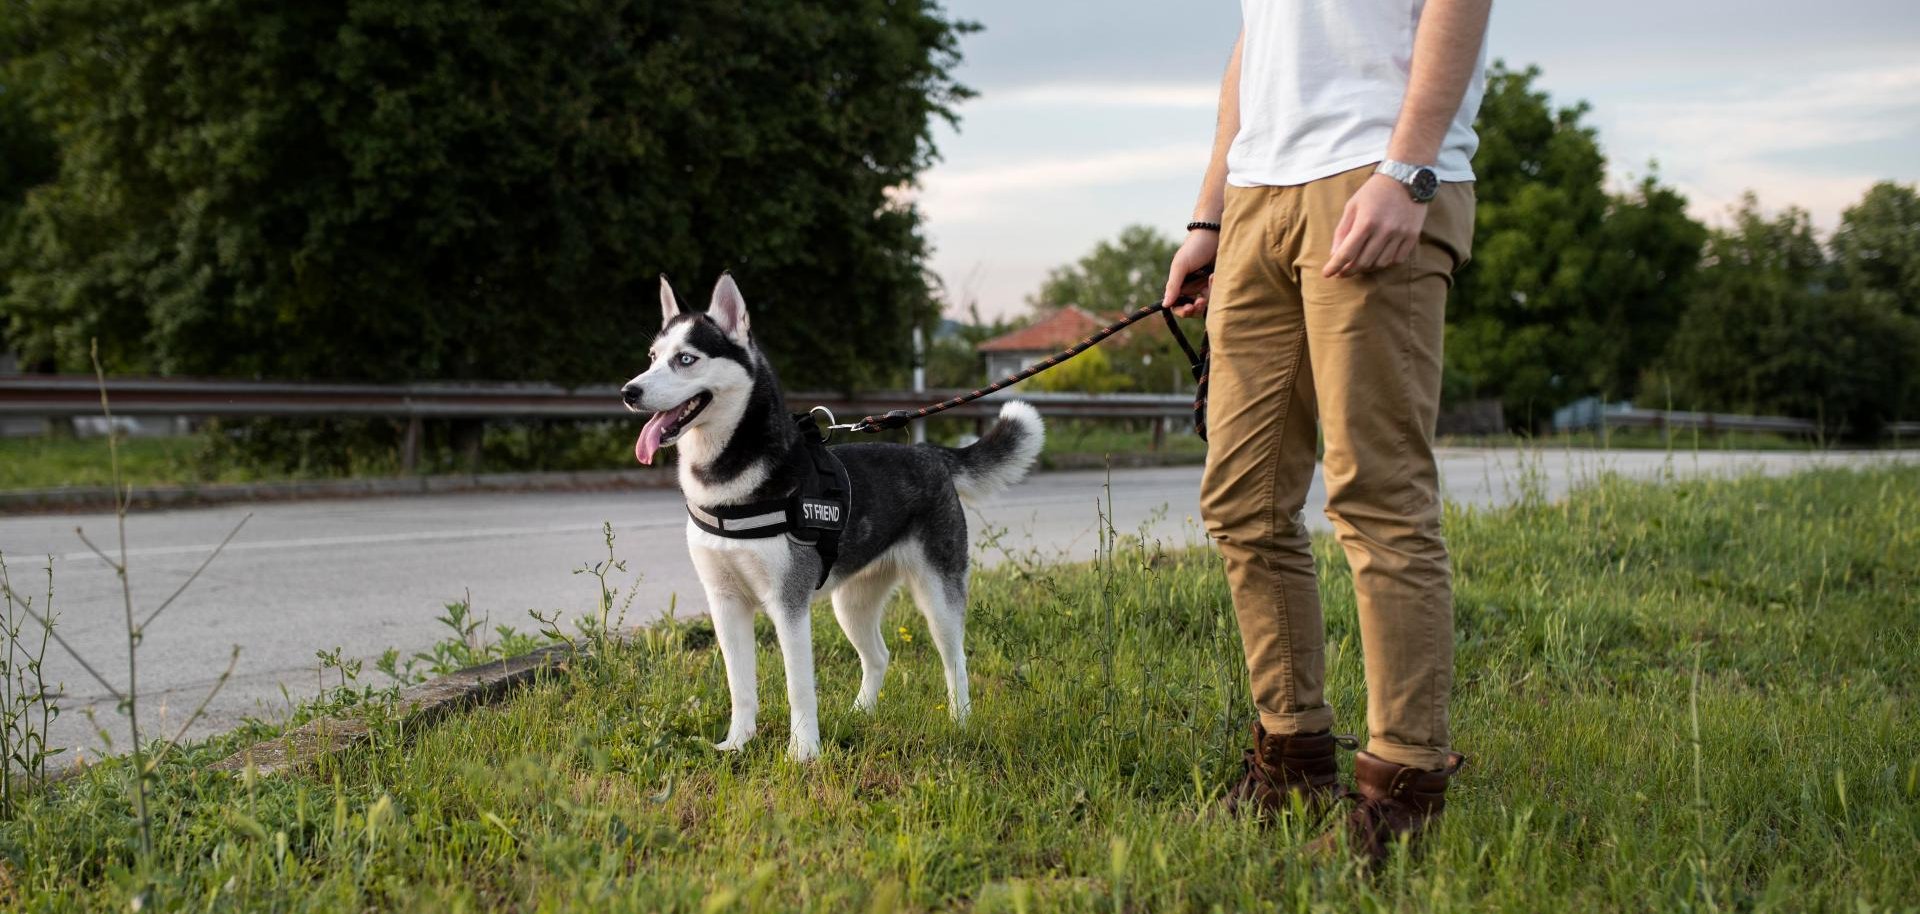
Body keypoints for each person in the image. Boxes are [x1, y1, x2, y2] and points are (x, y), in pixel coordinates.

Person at [1161, 0, 1493, 862]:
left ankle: (1405, 793)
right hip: (1259, 195)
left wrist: (1411, 169)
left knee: (1375, 494)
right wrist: (1211, 213)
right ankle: (1292, 759)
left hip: (1377, 176)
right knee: (1241, 502)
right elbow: (1257, 43)